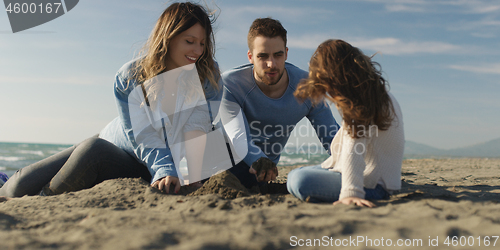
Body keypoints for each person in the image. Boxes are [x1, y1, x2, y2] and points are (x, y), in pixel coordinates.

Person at [0, 2, 223, 199]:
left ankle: (44, 198)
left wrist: (187, 170)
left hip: (120, 157)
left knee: (93, 150)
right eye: (190, 41)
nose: (198, 51)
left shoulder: (208, 77)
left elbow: (198, 127)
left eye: (202, 44)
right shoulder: (130, 76)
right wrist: (167, 168)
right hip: (120, 142)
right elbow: (141, 135)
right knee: (16, 186)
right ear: (168, 38)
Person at [220, 18, 339, 189]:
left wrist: (356, 162)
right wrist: (259, 160)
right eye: (262, 56)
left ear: (286, 53)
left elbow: (331, 135)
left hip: (261, 171)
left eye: (278, 55)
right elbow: (238, 137)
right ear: (250, 57)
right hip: (221, 157)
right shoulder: (231, 84)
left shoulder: (307, 86)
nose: (271, 64)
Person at [287, 39, 405, 207]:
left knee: (300, 180)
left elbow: (353, 148)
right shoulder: (374, 92)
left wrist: (352, 192)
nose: (328, 92)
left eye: (328, 84)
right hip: (365, 176)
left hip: (373, 186)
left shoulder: (364, 101)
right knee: (295, 175)